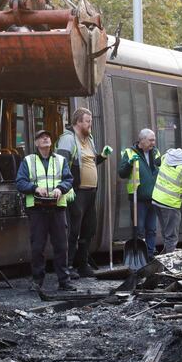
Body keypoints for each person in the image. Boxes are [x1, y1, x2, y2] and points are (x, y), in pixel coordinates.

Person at [16, 130, 75, 296]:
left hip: (57, 208)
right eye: (41, 137)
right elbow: (20, 182)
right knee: (37, 247)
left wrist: (60, 189)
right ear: (36, 143)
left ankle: (64, 281)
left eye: (48, 136)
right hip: (37, 208)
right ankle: (37, 281)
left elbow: (68, 179)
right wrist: (35, 188)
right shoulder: (28, 161)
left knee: (61, 246)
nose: (46, 138)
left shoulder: (60, 160)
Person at [56, 107, 112, 277]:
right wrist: (67, 187)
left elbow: (90, 161)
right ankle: (68, 266)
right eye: (88, 122)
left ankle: (82, 264)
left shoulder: (89, 139)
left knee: (89, 228)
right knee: (74, 230)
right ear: (78, 122)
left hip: (90, 192)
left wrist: (102, 156)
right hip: (77, 192)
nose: (90, 125)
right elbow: (61, 164)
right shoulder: (68, 139)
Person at [117, 128, 161, 259]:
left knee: (152, 229)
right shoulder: (130, 153)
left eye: (154, 140)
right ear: (142, 140)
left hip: (154, 197)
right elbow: (122, 173)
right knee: (139, 228)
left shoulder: (156, 152)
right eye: (151, 140)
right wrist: (129, 164)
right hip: (138, 198)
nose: (153, 143)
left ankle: (150, 253)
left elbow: (159, 168)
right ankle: (139, 254)